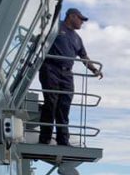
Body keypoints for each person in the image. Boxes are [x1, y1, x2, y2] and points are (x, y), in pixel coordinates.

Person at [38, 8, 103, 146]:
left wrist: (94, 69)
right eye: (80, 19)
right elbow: (41, 36)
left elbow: (84, 56)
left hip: (67, 73)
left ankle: (63, 140)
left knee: (64, 106)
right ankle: (45, 139)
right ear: (72, 16)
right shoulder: (56, 26)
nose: (82, 22)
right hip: (51, 68)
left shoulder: (77, 39)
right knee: (51, 103)